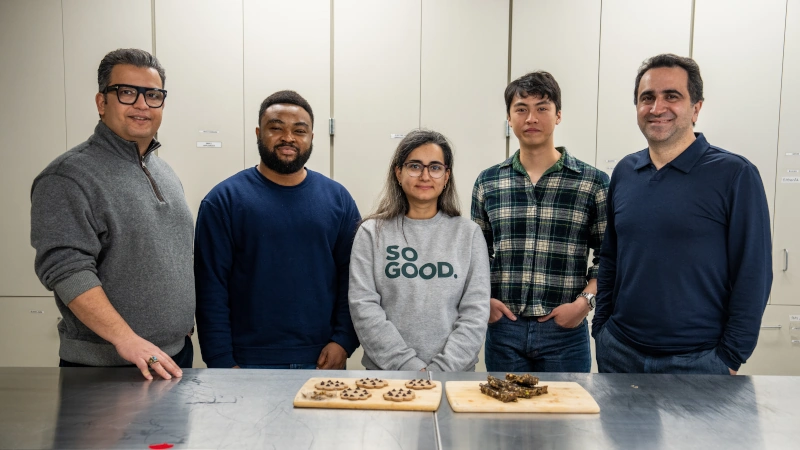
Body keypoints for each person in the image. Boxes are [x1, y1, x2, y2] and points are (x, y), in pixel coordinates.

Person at [592, 54, 772, 375]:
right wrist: (601, 330)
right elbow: (611, 258)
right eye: (647, 98)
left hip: (699, 361)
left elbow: (753, 272)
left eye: (671, 96)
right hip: (620, 353)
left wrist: (730, 357)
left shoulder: (735, 174)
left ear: (696, 108)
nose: (657, 108)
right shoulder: (625, 171)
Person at [30, 48, 195, 380]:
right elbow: (67, 270)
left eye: (153, 95)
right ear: (101, 102)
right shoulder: (68, 176)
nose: (141, 105)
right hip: (107, 367)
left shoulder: (162, 170)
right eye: (127, 92)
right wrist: (127, 340)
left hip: (170, 357)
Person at [194, 90, 360, 369]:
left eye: (299, 130)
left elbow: (354, 277)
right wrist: (221, 360)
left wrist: (343, 340)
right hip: (246, 362)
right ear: (258, 133)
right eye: (276, 128)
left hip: (322, 359)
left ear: (311, 137)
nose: (288, 138)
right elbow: (211, 287)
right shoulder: (223, 200)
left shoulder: (338, 199)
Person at [472, 71, 609, 372]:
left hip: (565, 330)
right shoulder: (488, 181)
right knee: (503, 417)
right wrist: (485, 303)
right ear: (509, 118)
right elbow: (476, 255)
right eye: (521, 109)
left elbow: (609, 257)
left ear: (558, 115)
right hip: (504, 327)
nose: (531, 117)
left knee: (567, 417)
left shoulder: (593, 182)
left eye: (542, 108)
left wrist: (584, 304)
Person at [349, 129, 490, 371]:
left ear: (446, 176)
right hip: (386, 376)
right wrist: (407, 366)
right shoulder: (371, 233)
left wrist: (441, 370)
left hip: (453, 377)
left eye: (435, 167)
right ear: (398, 172)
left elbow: (475, 312)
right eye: (415, 166)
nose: (425, 175)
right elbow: (364, 306)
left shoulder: (468, 234)